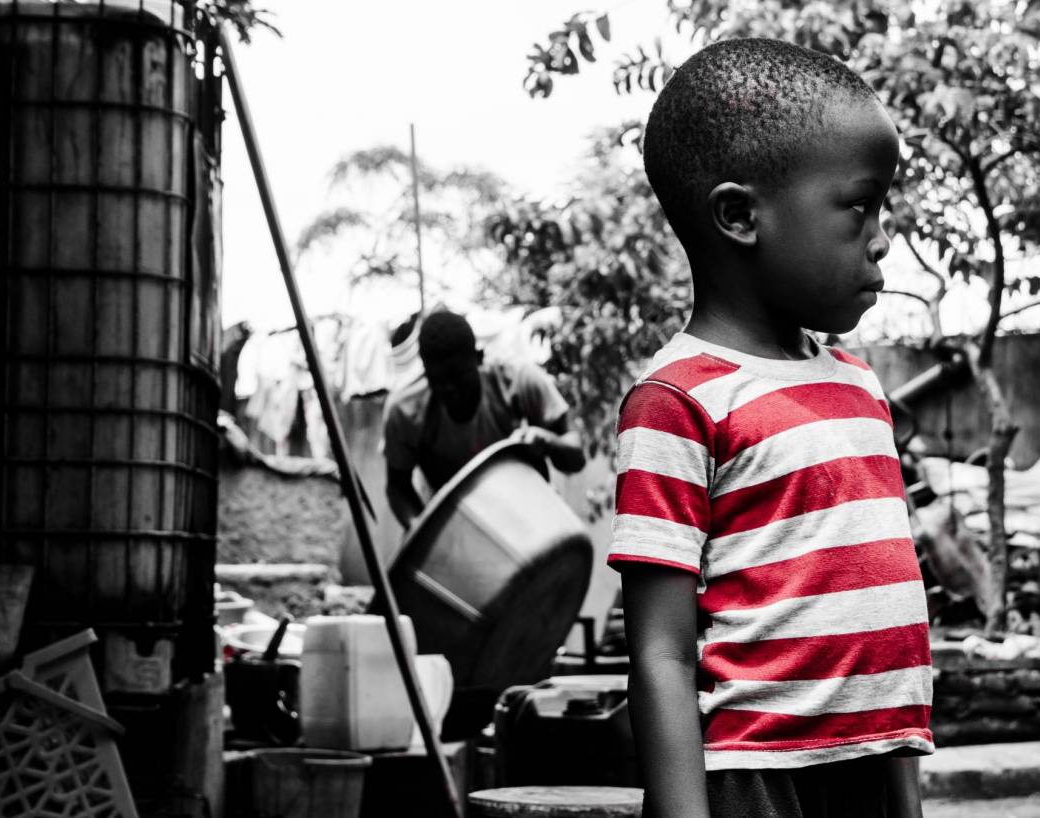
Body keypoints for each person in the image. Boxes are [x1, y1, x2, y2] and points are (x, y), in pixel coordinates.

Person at [607, 39, 933, 818]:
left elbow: (879, 625)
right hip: (755, 777)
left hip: (876, 762)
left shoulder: (856, 381)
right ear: (740, 216)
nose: (882, 238)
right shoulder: (678, 401)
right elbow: (659, 653)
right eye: (860, 207)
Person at [383, 310, 585, 528]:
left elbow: (575, 458)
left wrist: (547, 441)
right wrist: (423, 534)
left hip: (527, 519)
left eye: (457, 375)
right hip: (458, 531)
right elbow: (397, 487)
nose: (448, 388)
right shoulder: (404, 410)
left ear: (477, 358)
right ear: (425, 371)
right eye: (436, 379)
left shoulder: (518, 379)